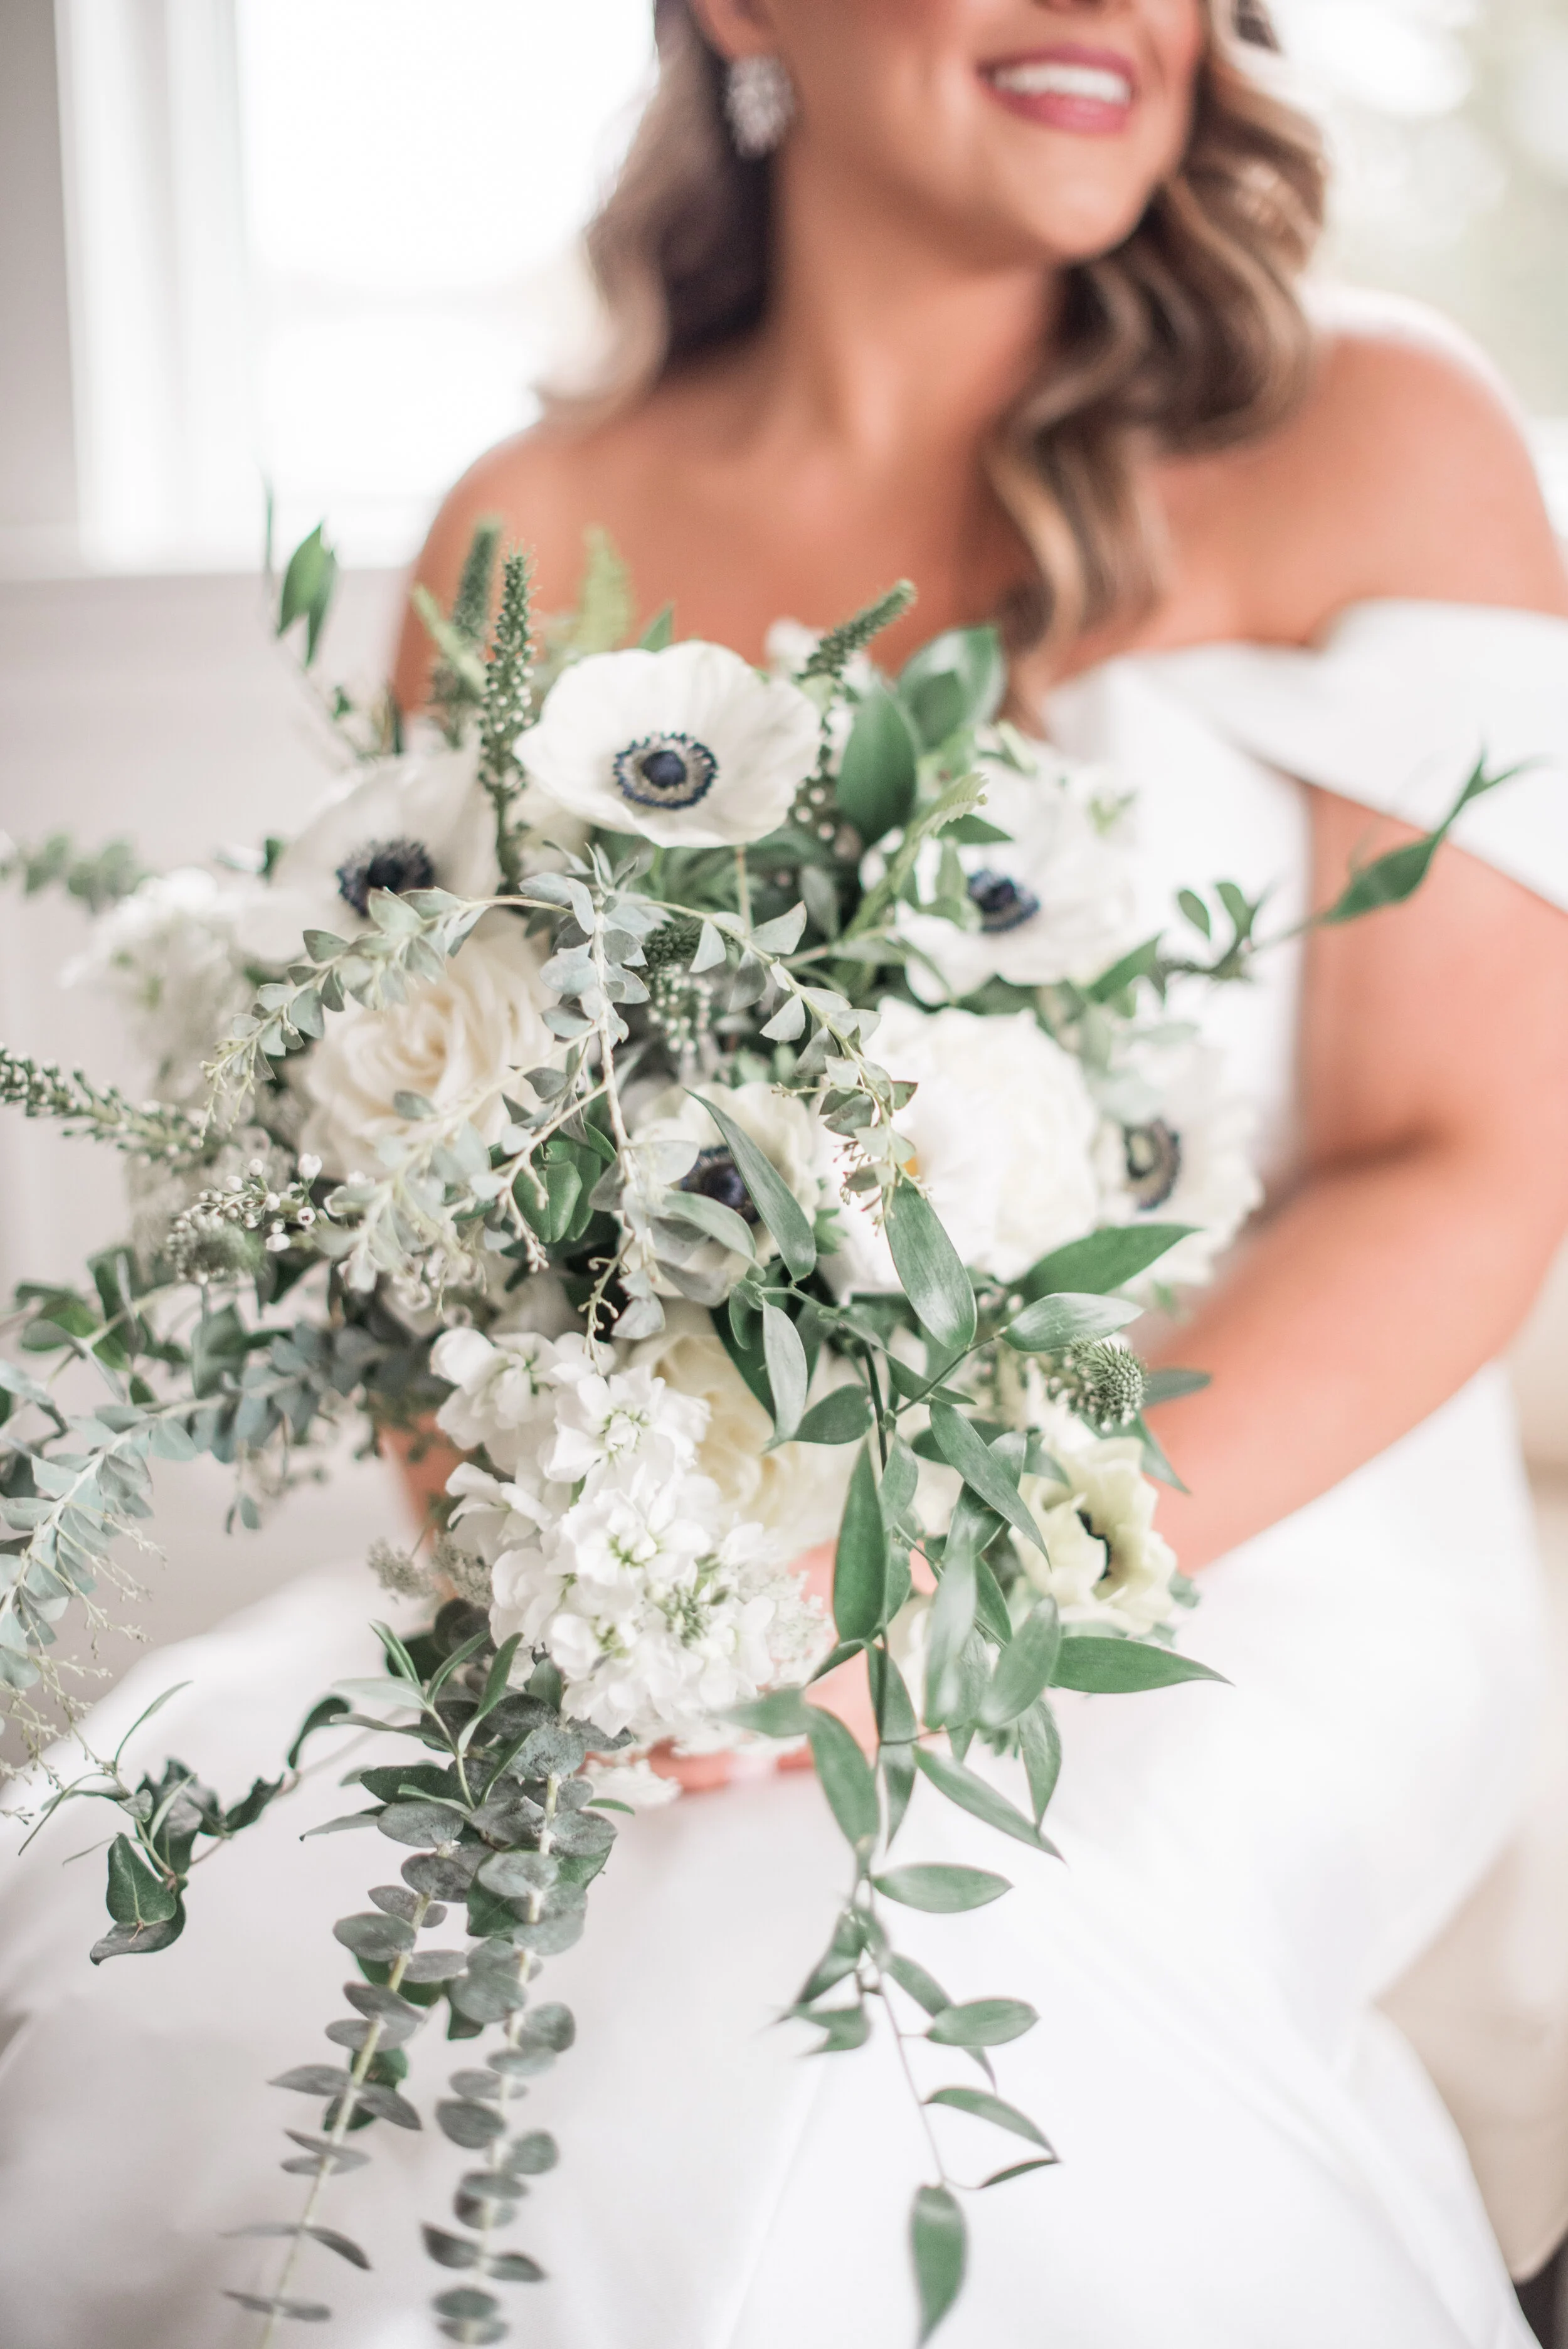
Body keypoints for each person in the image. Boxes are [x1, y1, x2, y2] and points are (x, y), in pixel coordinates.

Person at [3, 4, 1568, 2343]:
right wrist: (588, 1580)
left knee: (794, 2016)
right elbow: (426, 1169)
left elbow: (1454, 1160)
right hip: (685, 1566)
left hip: (1245, 1526)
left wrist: (935, 1586)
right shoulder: (526, 529)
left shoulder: (1370, 430)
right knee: (259, 1910)